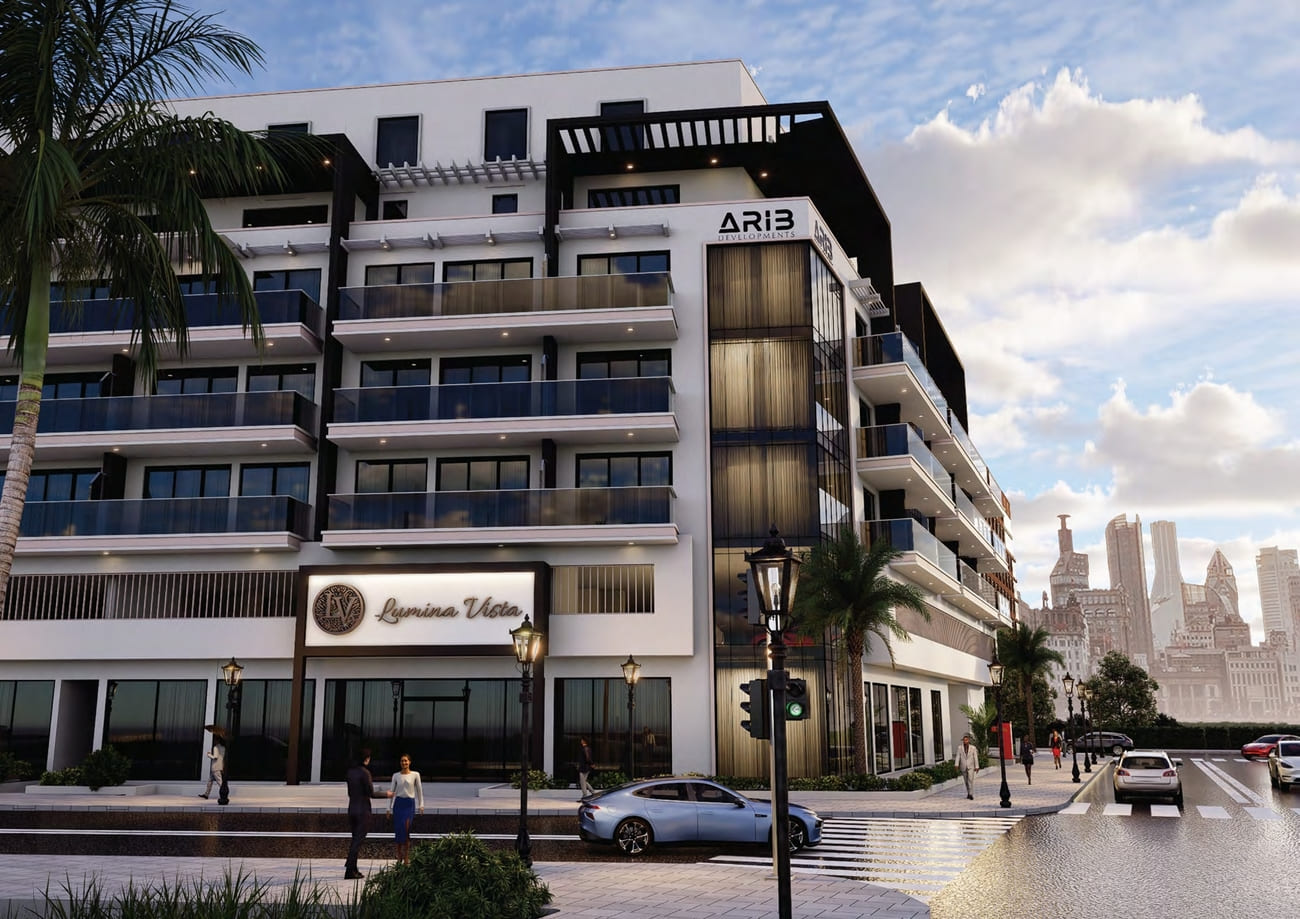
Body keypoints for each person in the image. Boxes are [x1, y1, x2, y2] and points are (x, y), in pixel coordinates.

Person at [344, 748, 392, 880]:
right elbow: (371, 793)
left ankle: (353, 869)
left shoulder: (350, 772)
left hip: (352, 808)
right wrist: (387, 794)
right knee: (358, 841)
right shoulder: (365, 772)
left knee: (355, 839)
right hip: (363, 810)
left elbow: (350, 792)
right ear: (366, 759)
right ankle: (349, 869)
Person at [386, 753, 424, 865]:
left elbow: (419, 790)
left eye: (406, 761)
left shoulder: (415, 775)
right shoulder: (396, 776)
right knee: (398, 830)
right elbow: (391, 792)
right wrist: (388, 808)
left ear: (410, 762)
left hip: (409, 804)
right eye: (402, 761)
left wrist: (421, 805)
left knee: (406, 830)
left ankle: (406, 856)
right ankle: (399, 856)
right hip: (398, 804)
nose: (404, 763)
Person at [954, 733, 979, 800]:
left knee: (970, 780)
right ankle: (968, 792)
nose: (965, 741)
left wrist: (977, 766)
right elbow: (958, 756)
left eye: (966, 740)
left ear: (968, 740)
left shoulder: (973, 748)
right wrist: (956, 764)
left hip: (971, 766)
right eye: (964, 740)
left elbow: (975, 757)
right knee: (966, 781)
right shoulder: (960, 748)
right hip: (963, 766)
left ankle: (971, 794)